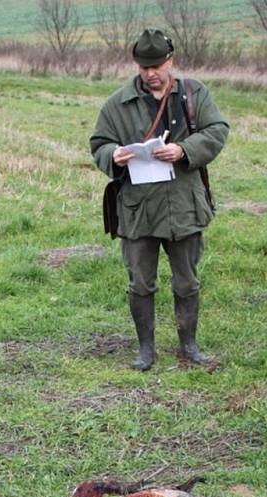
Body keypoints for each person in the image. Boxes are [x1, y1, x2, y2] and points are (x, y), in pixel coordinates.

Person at [90, 29, 229, 370]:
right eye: (143, 66)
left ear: (171, 61)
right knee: (140, 282)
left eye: (157, 65)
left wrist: (184, 149)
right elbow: (99, 143)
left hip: (185, 203)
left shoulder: (195, 94)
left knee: (187, 280)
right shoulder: (118, 103)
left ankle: (189, 346)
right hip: (138, 209)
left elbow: (217, 130)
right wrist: (114, 155)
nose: (150, 73)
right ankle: (145, 351)